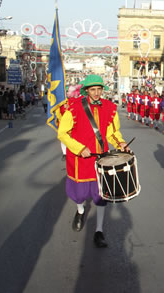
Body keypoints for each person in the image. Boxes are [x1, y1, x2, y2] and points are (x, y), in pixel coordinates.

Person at [58, 75, 131, 248]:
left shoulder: (110, 107)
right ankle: (80, 210)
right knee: (80, 193)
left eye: (99, 89)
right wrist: (79, 148)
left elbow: (113, 132)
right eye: (93, 90)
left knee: (101, 196)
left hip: (101, 158)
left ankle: (99, 231)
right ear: (86, 91)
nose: (97, 93)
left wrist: (120, 143)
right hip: (80, 158)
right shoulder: (73, 107)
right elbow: (63, 133)